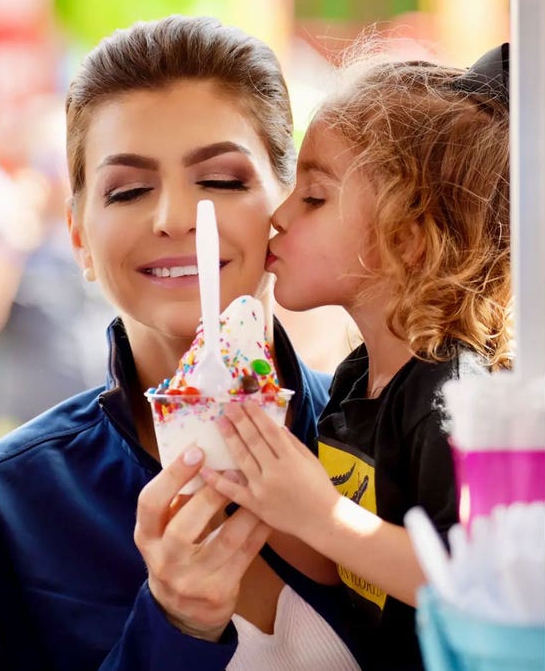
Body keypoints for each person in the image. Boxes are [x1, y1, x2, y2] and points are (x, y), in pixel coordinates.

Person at [0, 16, 362, 670]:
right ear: (79, 236)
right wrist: (172, 626)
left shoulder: (388, 444)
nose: (176, 218)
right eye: (128, 189)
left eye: (222, 180)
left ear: (285, 209)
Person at [199, 44, 514, 670]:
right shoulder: (355, 379)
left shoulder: (450, 398)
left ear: (406, 238)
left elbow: (471, 586)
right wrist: (249, 476)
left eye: (313, 197)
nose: (279, 217)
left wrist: (323, 515)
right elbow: (338, 560)